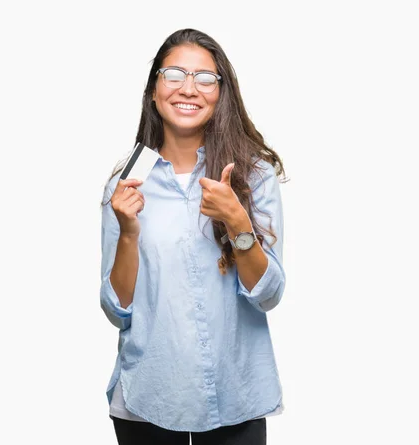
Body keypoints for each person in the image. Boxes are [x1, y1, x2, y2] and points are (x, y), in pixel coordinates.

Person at [100, 28, 287, 445]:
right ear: (153, 90)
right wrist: (129, 234)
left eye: (205, 78)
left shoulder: (252, 176)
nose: (189, 88)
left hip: (234, 393)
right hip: (148, 397)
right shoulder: (127, 182)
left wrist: (238, 224)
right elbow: (117, 310)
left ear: (222, 93)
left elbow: (268, 295)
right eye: (174, 74)